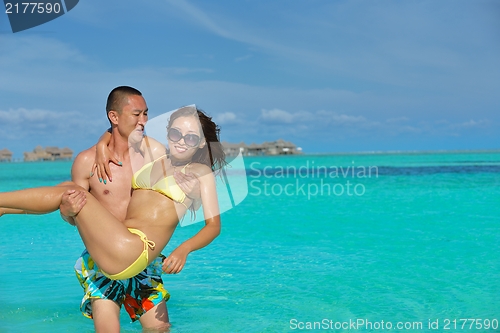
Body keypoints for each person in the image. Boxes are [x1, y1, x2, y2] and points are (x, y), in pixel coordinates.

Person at [0, 104, 224, 331]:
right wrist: (101, 145)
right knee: (68, 192)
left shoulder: (199, 172)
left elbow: (213, 226)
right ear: (168, 133)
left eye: (191, 138)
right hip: (119, 244)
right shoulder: (156, 154)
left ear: (202, 143)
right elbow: (121, 131)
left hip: (136, 250)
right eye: (176, 134)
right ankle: (4, 209)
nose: (181, 142)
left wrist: (183, 249)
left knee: (71, 191)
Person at [63, 86, 200, 332]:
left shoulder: (154, 153)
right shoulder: (86, 162)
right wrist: (67, 211)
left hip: (143, 255)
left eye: (146, 114)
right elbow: (74, 216)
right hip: (104, 257)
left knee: (159, 329)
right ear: (114, 117)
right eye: (136, 114)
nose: (144, 121)